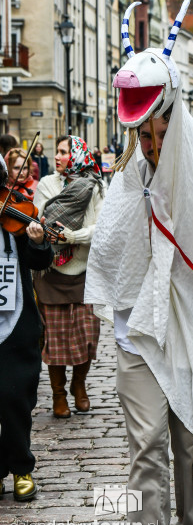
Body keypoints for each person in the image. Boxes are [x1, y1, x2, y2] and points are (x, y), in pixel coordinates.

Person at [84, 53, 193, 525]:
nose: (153, 146)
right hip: (138, 331)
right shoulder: (129, 176)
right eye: (144, 136)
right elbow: (112, 246)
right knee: (146, 444)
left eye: (161, 134)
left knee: (190, 438)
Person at [33, 136, 104, 418]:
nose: (59, 156)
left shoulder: (95, 186)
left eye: (64, 152)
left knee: (88, 336)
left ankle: (79, 385)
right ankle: (58, 394)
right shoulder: (47, 184)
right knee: (56, 339)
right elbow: (39, 218)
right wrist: (45, 233)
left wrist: (72, 235)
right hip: (52, 272)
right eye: (58, 152)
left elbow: (101, 227)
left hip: (85, 272)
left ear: (77, 155)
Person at [0, 154, 54, 502]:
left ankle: (21, 467)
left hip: (15, 320)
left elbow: (41, 261)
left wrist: (37, 240)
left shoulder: (16, 214)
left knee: (15, 396)